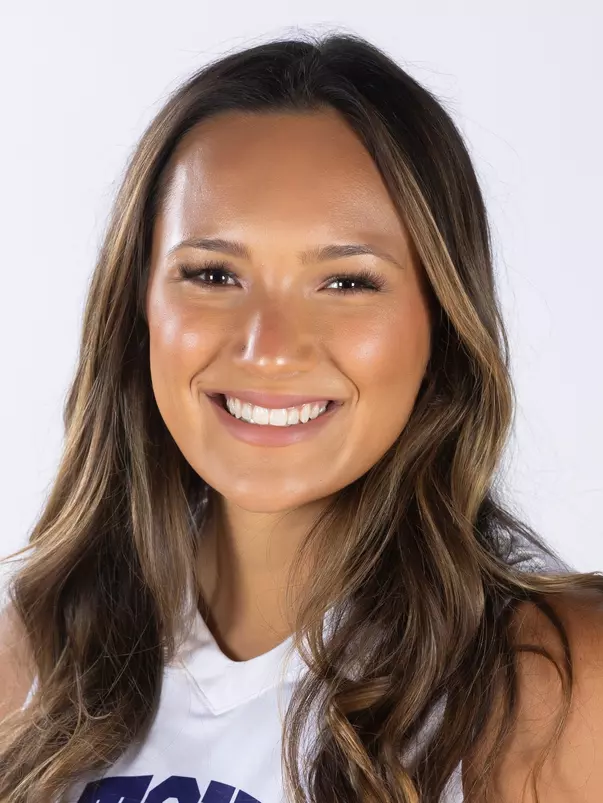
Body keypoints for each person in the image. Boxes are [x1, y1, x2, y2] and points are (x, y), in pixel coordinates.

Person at [0, 30, 602, 803]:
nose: (268, 348)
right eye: (213, 273)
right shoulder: (33, 656)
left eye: (347, 282)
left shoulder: (554, 679)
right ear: (138, 307)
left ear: (440, 324)